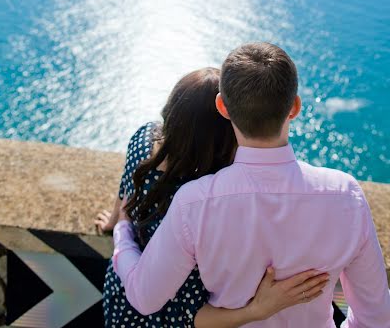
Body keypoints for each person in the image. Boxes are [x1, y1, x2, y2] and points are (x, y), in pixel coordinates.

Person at [113, 43, 390, 327]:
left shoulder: (194, 202)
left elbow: (144, 298)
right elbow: (377, 318)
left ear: (222, 106)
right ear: (294, 107)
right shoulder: (345, 195)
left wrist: (122, 232)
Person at [97, 67, 328, 327]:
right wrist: (257, 310)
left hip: (120, 298)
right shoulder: (203, 197)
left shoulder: (143, 139)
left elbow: (128, 186)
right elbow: (188, 316)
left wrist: (115, 221)